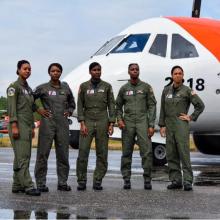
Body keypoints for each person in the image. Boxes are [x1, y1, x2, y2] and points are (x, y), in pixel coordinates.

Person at [159, 65, 205, 191]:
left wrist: (191, 117)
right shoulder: (166, 91)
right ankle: (176, 180)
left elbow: (200, 105)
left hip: (181, 126)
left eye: (180, 73)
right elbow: (163, 109)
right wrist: (162, 125)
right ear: (172, 76)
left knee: (184, 154)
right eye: (175, 73)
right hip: (169, 126)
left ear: (183, 76)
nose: (178, 75)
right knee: (171, 154)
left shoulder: (187, 91)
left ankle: (188, 181)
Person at [34, 63, 75, 192]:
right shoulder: (43, 88)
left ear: (61, 72)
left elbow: (72, 104)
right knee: (43, 154)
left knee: (63, 154)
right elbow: (29, 99)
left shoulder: (66, 88)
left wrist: (69, 110)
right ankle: (40, 183)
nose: (55, 73)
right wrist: (39, 109)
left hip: (62, 124)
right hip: (47, 124)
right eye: (53, 71)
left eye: (58, 71)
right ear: (49, 73)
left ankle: (62, 182)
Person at [116, 63, 156, 190]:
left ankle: (147, 179)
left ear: (139, 71)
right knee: (126, 152)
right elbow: (117, 106)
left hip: (142, 122)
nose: (134, 71)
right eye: (132, 69)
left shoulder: (146, 87)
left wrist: (151, 125)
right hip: (127, 123)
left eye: (136, 69)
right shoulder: (123, 89)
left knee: (147, 152)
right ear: (128, 72)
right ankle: (126, 179)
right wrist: (120, 120)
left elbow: (152, 106)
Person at [76, 62, 115, 191]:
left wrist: (111, 123)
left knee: (102, 153)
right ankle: (81, 181)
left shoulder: (107, 86)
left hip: (102, 120)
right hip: (87, 120)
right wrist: (81, 122)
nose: (97, 72)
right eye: (94, 70)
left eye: (99, 70)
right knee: (83, 152)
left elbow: (111, 105)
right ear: (90, 72)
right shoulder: (84, 86)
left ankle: (98, 180)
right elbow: (80, 105)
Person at [7, 60, 41, 196]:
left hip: (27, 125)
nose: (28, 71)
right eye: (25, 69)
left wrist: (32, 126)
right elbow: (11, 108)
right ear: (18, 70)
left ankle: (17, 185)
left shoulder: (28, 89)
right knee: (23, 156)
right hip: (18, 124)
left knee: (20, 156)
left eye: (30, 69)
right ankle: (28, 185)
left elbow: (30, 109)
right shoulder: (13, 87)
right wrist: (14, 125)